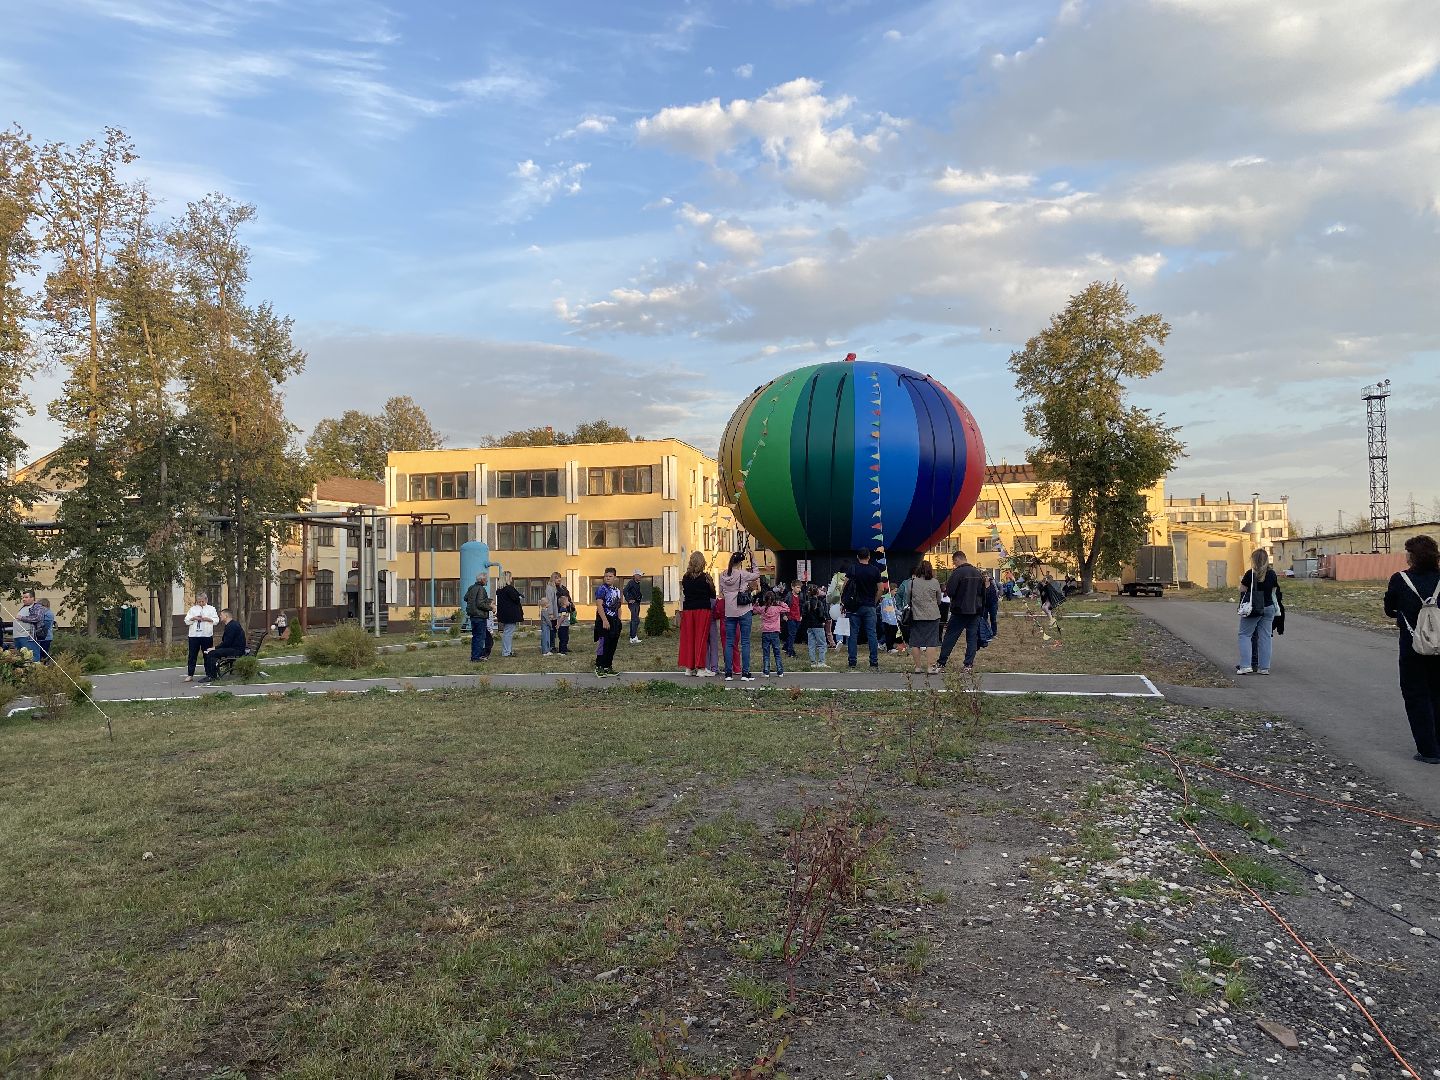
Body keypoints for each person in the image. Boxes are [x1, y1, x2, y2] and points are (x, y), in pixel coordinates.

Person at [1384, 535, 1440, 763]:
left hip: (1412, 646)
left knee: (1417, 696)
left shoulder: (1400, 579)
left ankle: (1428, 750)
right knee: (1438, 693)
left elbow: (1389, 609)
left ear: (1412, 557)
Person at [936, 551, 985, 672]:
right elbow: (983, 593)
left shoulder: (957, 573)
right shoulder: (978, 573)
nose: (954, 564)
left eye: (954, 562)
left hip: (960, 610)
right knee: (972, 638)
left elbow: (950, 591)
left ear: (957, 560)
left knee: (950, 637)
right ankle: (968, 664)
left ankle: (942, 662)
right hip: (975, 611)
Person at [1236, 549, 1281, 675]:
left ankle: (1245, 665)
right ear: (1266, 560)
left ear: (1253, 560)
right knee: (1266, 637)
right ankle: (1264, 667)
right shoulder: (1272, 574)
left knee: (1245, 635)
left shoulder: (1250, 574)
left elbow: (1242, 589)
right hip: (1269, 607)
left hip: (1254, 608)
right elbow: (1273, 589)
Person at [718, 552, 760, 681]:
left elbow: (721, 592)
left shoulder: (723, 575)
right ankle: (745, 673)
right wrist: (753, 560)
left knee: (729, 642)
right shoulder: (742, 574)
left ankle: (728, 673)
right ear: (740, 562)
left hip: (729, 611)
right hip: (744, 609)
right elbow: (756, 575)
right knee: (745, 642)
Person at [842, 549, 883, 670]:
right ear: (869, 557)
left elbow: (845, 586)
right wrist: (874, 602)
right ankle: (874, 661)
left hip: (854, 606)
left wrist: (843, 601)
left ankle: (852, 661)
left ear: (857, 557)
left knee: (853, 634)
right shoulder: (875, 570)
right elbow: (881, 589)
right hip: (869, 605)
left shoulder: (852, 569)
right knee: (872, 634)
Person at [679, 552, 717, 676]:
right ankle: (701, 668)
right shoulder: (706, 578)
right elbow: (712, 594)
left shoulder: (685, 577)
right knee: (701, 639)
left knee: (689, 638)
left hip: (688, 610)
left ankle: (689, 668)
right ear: (702, 562)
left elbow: (685, 592)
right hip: (702, 610)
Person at [906, 560, 944, 674]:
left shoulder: (912, 583)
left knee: (915, 642)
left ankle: (917, 667)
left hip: (916, 615)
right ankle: (930, 667)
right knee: (931, 642)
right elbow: (939, 600)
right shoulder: (935, 582)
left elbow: (908, 599)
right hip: (932, 615)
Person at [593, 567, 624, 677]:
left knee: (612, 644)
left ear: (615, 577)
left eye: (610, 576)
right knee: (603, 643)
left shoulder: (617, 590)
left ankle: (608, 666)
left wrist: (619, 620)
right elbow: (599, 605)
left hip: (614, 620)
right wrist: (604, 620)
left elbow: (619, 606)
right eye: (606, 576)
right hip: (604, 619)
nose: (608, 578)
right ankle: (599, 666)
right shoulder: (602, 589)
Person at [201, 608, 246, 682]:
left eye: (221, 615)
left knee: (211, 653)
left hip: (236, 650)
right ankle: (211, 674)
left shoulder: (232, 626)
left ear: (226, 616)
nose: (220, 616)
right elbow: (227, 642)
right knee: (212, 652)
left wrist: (214, 648)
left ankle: (212, 676)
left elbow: (227, 643)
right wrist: (216, 648)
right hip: (235, 648)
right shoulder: (232, 624)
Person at [183, 590, 218, 682]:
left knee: (207, 655)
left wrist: (208, 619)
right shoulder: (193, 609)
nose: (201, 603)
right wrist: (193, 618)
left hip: (206, 635)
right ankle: (190, 674)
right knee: (192, 656)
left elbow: (216, 620)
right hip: (194, 636)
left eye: (202, 601)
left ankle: (209, 673)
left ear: (206, 600)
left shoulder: (211, 609)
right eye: (199, 601)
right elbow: (186, 621)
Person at [757, 588, 788, 677]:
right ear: (774, 599)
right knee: (777, 652)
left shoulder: (763, 609)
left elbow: (755, 609)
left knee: (766, 653)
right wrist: (780, 602)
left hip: (766, 632)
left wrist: (756, 603)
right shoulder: (777, 608)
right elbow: (787, 608)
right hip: (775, 632)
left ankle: (766, 671)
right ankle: (780, 671)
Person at [463, 573, 492, 663]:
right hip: (480, 616)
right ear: (482, 580)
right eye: (486, 579)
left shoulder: (471, 587)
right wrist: (491, 607)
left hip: (473, 616)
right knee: (480, 637)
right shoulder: (481, 589)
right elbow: (480, 604)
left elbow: (465, 598)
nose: (487, 581)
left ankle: (474, 656)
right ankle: (477, 657)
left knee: (475, 637)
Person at [496, 571, 524, 657]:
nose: (511, 579)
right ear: (507, 578)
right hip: (511, 614)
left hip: (504, 614)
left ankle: (507, 651)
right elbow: (516, 598)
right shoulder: (509, 588)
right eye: (511, 577)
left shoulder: (500, 590)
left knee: (507, 632)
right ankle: (506, 652)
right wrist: (519, 596)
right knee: (508, 633)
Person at [801, 582, 829, 666]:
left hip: (809, 626)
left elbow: (804, 615)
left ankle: (812, 662)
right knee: (822, 644)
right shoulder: (819, 603)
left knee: (811, 644)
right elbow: (821, 614)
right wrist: (823, 621)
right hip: (818, 625)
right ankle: (821, 662)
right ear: (817, 592)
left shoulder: (806, 603)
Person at [12, 589, 42, 661]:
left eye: (26, 597)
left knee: (31, 657)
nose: (24, 599)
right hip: (18, 636)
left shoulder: (36, 607)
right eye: (23, 597)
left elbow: (37, 617)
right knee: (20, 658)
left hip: (28, 637)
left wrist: (22, 618)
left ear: (32, 598)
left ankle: (35, 671)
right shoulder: (24, 607)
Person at [623, 570, 646, 645]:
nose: (640, 577)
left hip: (637, 603)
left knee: (636, 620)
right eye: (639, 575)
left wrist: (640, 596)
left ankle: (634, 636)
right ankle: (632, 638)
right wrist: (629, 599)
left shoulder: (637, 583)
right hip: (633, 604)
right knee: (635, 620)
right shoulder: (631, 583)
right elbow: (624, 590)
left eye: (641, 576)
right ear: (635, 575)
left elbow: (636, 592)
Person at [541, 572, 561, 656]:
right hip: (551, 612)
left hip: (554, 611)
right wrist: (551, 613)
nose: (559, 579)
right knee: (551, 630)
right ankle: (550, 646)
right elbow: (549, 601)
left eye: (559, 578)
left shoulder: (554, 588)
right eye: (557, 578)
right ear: (553, 579)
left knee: (553, 630)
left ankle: (551, 646)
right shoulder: (549, 588)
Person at [878, 584, 900, 653]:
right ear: (891, 590)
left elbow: (894, 609)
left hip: (893, 620)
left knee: (893, 633)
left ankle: (889, 646)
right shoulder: (886, 599)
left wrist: (900, 613)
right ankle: (889, 648)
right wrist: (889, 620)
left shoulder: (893, 598)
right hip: (888, 620)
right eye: (895, 591)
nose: (896, 593)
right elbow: (886, 611)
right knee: (889, 634)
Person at [554, 578, 573, 654]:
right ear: (564, 603)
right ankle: (562, 650)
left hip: (564, 625)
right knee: (563, 638)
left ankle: (564, 649)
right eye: (567, 601)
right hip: (562, 626)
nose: (569, 602)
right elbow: (562, 617)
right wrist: (558, 624)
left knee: (565, 638)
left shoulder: (564, 609)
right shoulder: (563, 609)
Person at [782, 581, 801, 658]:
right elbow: (783, 605)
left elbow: (801, 606)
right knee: (792, 634)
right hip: (790, 617)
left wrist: (801, 615)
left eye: (800, 588)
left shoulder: (801, 596)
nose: (799, 589)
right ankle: (790, 651)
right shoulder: (788, 596)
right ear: (793, 587)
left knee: (793, 634)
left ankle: (786, 646)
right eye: (797, 587)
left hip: (798, 617)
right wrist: (784, 615)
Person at [35, 598, 54, 663]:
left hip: (45, 637)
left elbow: (45, 626)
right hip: (40, 637)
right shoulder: (43, 613)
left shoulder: (48, 614)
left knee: (43, 655)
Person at [982, 573, 1000, 638]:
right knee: (984, 619)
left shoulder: (993, 582)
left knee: (993, 619)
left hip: (993, 603)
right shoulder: (981, 584)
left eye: (986, 576)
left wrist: (999, 594)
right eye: (984, 576)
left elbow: (1000, 587)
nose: (985, 578)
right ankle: (986, 633)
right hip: (984, 604)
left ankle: (994, 633)